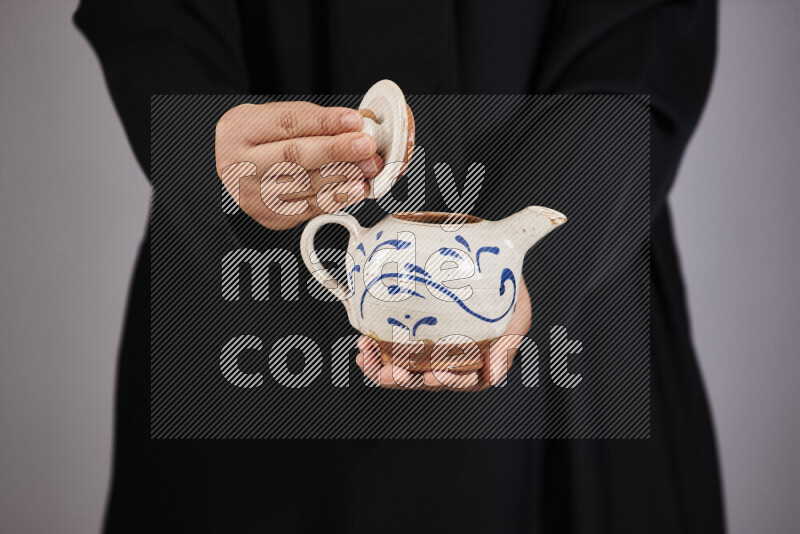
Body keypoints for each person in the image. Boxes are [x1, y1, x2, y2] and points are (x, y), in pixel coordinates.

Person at [74, 0, 724, 532]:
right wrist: (201, 134)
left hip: (574, 311)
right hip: (242, 287)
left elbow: (645, 38)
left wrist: (529, 255)